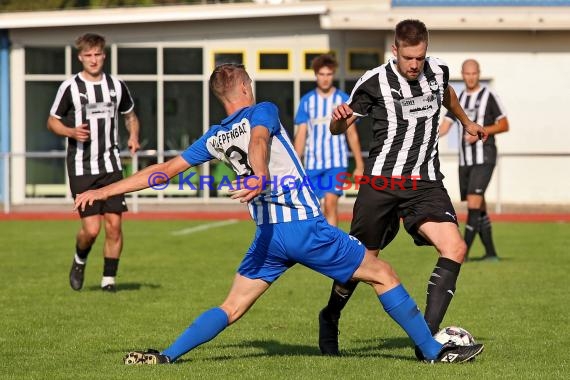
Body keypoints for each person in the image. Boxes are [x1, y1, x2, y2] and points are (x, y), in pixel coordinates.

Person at [74, 63, 483, 365]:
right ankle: (433, 352)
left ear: (220, 97)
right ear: (246, 87)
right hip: (304, 228)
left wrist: (103, 190)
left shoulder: (214, 136)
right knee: (383, 274)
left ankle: (166, 356)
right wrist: (260, 175)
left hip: (267, 239)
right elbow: (259, 142)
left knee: (232, 306)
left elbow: (160, 172)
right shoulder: (263, 110)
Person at [316, 19, 488, 358]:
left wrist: (466, 122)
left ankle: (425, 343)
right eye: (408, 57)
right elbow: (339, 128)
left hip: (425, 182)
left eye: (419, 57)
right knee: (362, 261)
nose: (414, 65)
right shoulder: (373, 82)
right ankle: (330, 316)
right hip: (380, 183)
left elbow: (448, 96)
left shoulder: (437, 72)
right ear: (395, 50)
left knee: (454, 247)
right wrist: (337, 118)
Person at [47, 33, 140, 292]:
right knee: (91, 229)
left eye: (97, 54)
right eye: (88, 55)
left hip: (110, 165)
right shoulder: (70, 88)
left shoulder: (116, 86)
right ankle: (79, 260)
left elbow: (130, 115)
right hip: (81, 166)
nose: (93, 59)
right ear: (80, 57)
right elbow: (52, 121)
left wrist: (133, 136)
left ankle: (108, 280)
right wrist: (71, 132)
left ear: (104, 55)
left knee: (114, 225)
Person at [439, 59, 509, 261]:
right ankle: (491, 253)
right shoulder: (459, 96)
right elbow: (446, 125)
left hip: (484, 157)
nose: (470, 77)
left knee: (473, 203)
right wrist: (427, 136)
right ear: (462, 74)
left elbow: (504, 124)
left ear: (479, 74)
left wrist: (483, 130)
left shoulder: (489, 95)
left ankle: (463, 252)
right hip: (465, 160)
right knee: (479, 206)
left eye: (474, 73)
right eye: (467, 74)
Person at [293, 54, 364, 226]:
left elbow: (352, 133)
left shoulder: (343, 100)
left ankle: (331, 249)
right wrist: (294, 165)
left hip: (336, 163)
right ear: (316, 75)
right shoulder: (306, 101)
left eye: (329, 74)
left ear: (333, 75)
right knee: (315, 210)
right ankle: (318, 247)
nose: (325, 78)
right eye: (321, 74)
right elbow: (301, 135)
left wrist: (360, 165)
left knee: (331, 204)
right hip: (312, 164)